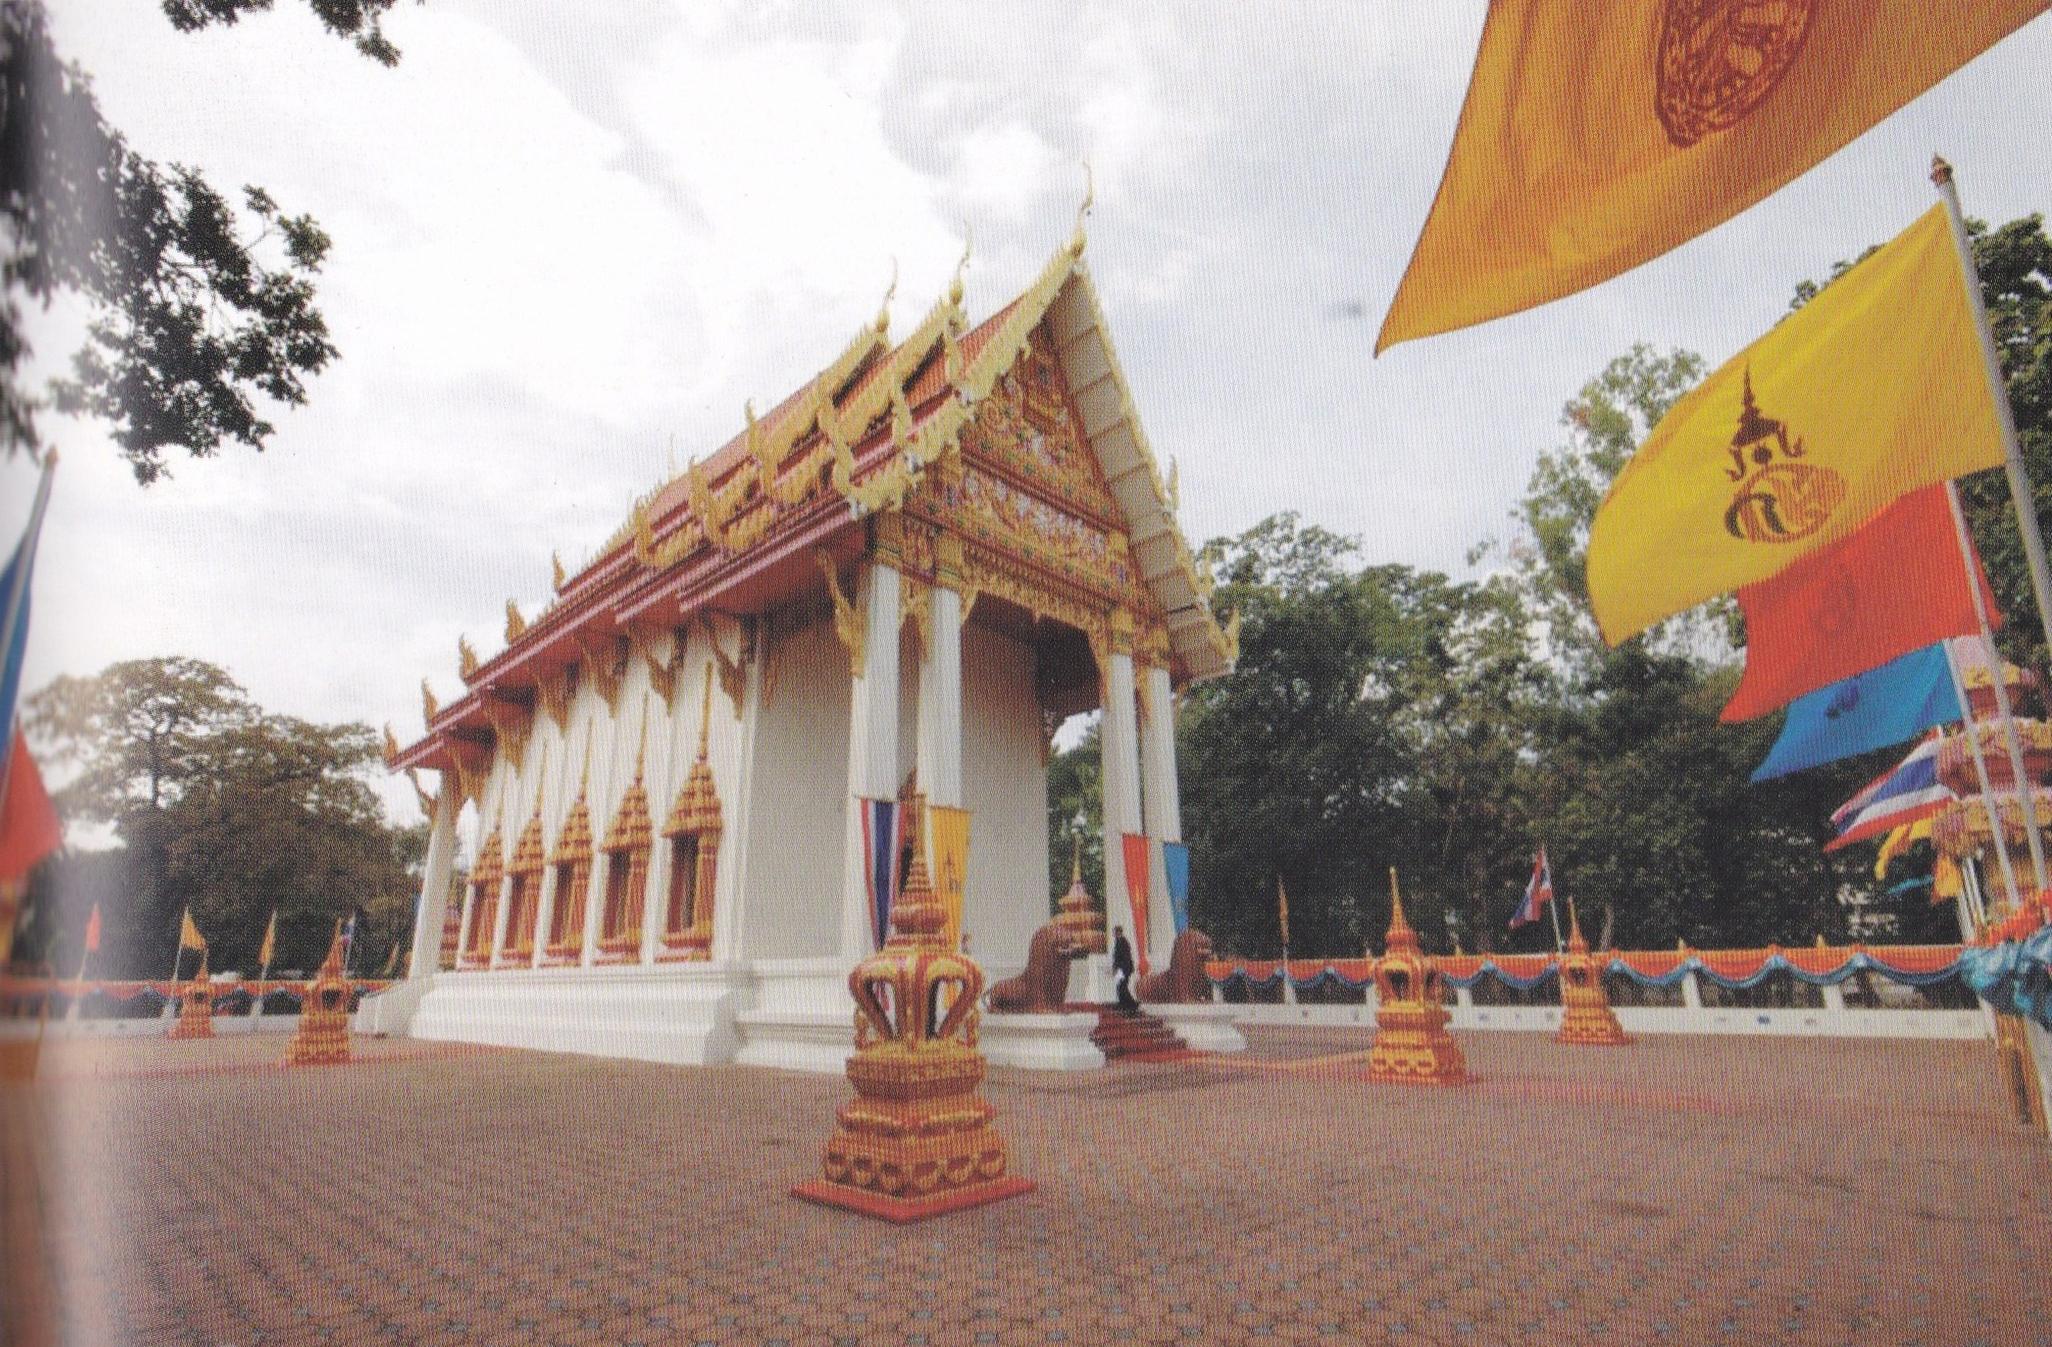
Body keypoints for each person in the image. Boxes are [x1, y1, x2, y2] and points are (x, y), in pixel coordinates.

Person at [1111, 924, 1138, 1013]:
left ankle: (1131, 1004)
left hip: (1124, 969)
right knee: (1121, 986)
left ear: (1118, 932)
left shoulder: (1122, 941)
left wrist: (1117, 968)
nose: (1113, 934)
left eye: (1114, 932)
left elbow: (1122, 957)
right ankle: (1124, 1004)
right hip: (1122, 968)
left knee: (1122, 986)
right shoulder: (1119, 941)